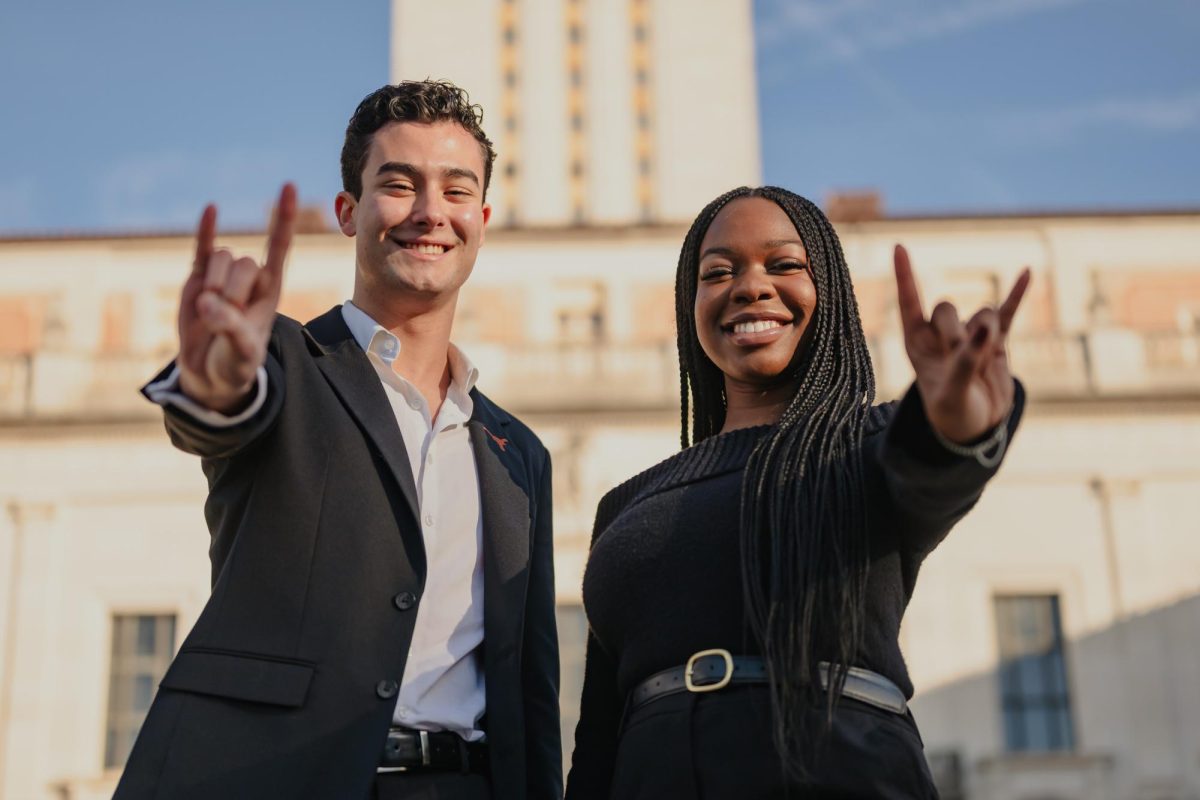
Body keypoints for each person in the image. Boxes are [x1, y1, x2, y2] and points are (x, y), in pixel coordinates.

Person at [116, 81, 562, 800]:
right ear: (349, 213)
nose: (429, 212)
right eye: (399, 184)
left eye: (455, 191)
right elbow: (221, 412)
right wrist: (218, 380)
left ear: (480, 218)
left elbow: (531, 691)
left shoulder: (518, 453)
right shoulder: (285, 364)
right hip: (271, 778)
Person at [565, 186, 1029, 798]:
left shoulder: (871, 444)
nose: (751, 286)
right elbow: (599, 735)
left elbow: (934, 472)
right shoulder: (625, 504)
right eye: (718, 272)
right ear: (690, 303)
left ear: (830, 294)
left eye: (783, 265)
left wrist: (955, 423)